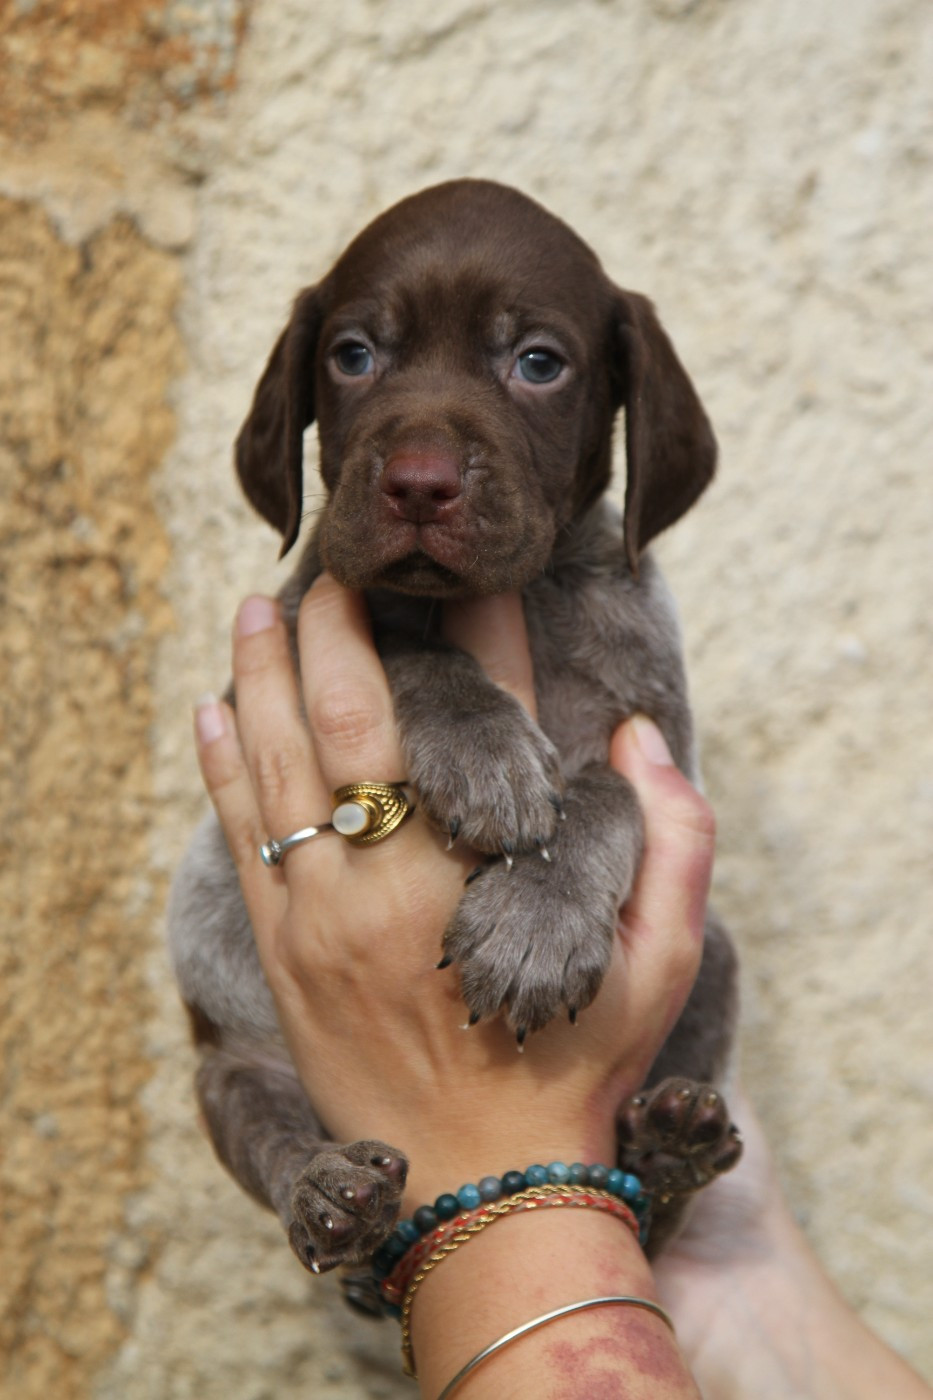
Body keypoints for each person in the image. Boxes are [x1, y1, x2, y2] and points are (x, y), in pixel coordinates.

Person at [193, 575, 931, 1400]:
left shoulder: (621, 599)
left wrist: (504, 1169)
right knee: (236, 1080)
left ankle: (651, 1192)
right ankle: (317, 1179)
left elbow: (630, 806)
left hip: (544, 1201)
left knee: (702, 947)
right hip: (333, 1102)